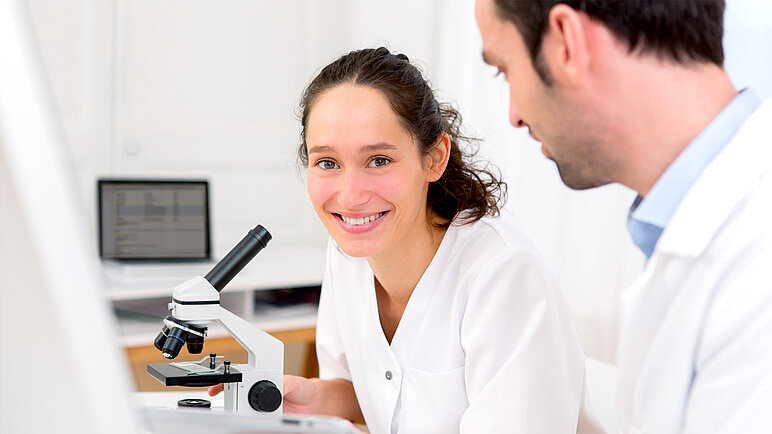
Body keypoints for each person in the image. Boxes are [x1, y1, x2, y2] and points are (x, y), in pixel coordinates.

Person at [207, 47, 602, 433]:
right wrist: (314, 398)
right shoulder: (348, 254)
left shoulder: (501, 274)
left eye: (378, 160)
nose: (349, 196)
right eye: (327, 163)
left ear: (434, 158)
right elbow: (381, 393)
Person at [475, 0, 772, 432]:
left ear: (566, 42)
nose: (514, 115)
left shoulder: (755, 262)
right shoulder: (688, 226)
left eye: (505, 69)